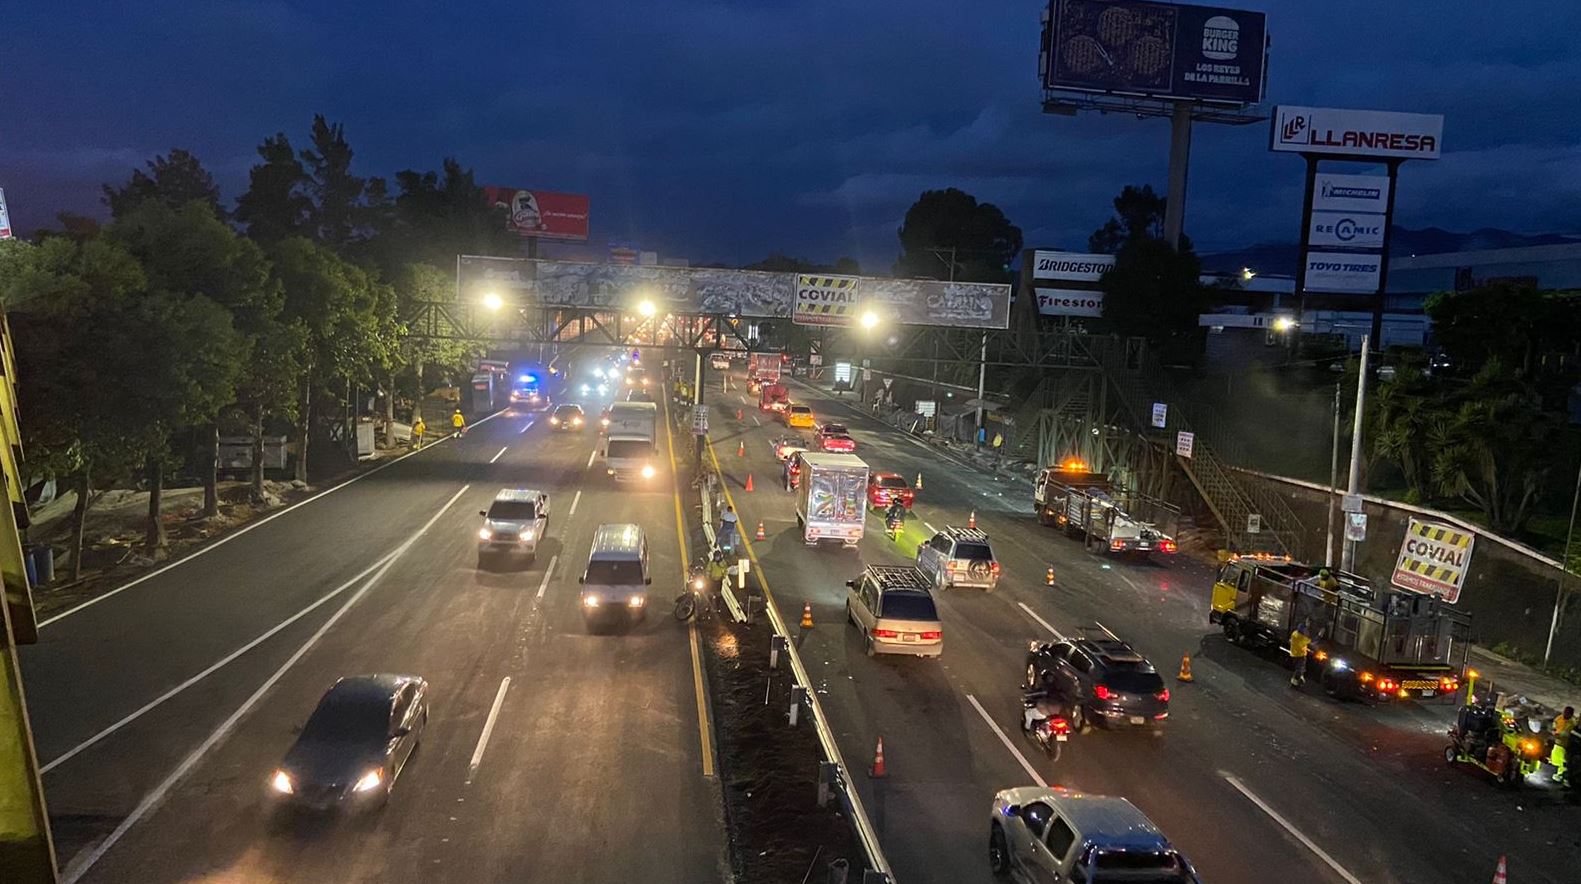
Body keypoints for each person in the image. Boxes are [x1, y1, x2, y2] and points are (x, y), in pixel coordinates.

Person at [1289, 619, 1313, 687]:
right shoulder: (1301, 637)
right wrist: (1319, 636)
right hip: (1300, 655)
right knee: (1299, 669)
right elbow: (1311, 642)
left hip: (1295, 654)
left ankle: (1297, 680)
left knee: (1299, 668)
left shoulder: (1295, 633)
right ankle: (1295, 683)